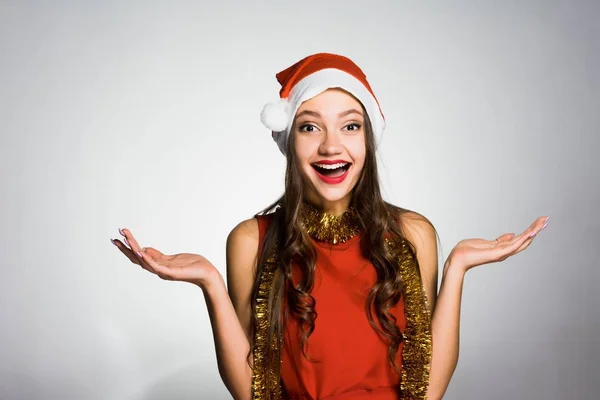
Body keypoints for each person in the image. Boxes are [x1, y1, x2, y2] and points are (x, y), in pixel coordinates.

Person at [110, 53, 548, 400]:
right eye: (309, 126)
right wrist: (209, 282)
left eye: (350, 126)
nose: (331, 146)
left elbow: (425, 390)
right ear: (289, 141)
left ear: (367, 140)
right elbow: (253, 391)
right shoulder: (251, 240)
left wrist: (457, 269)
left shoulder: (413, 233)